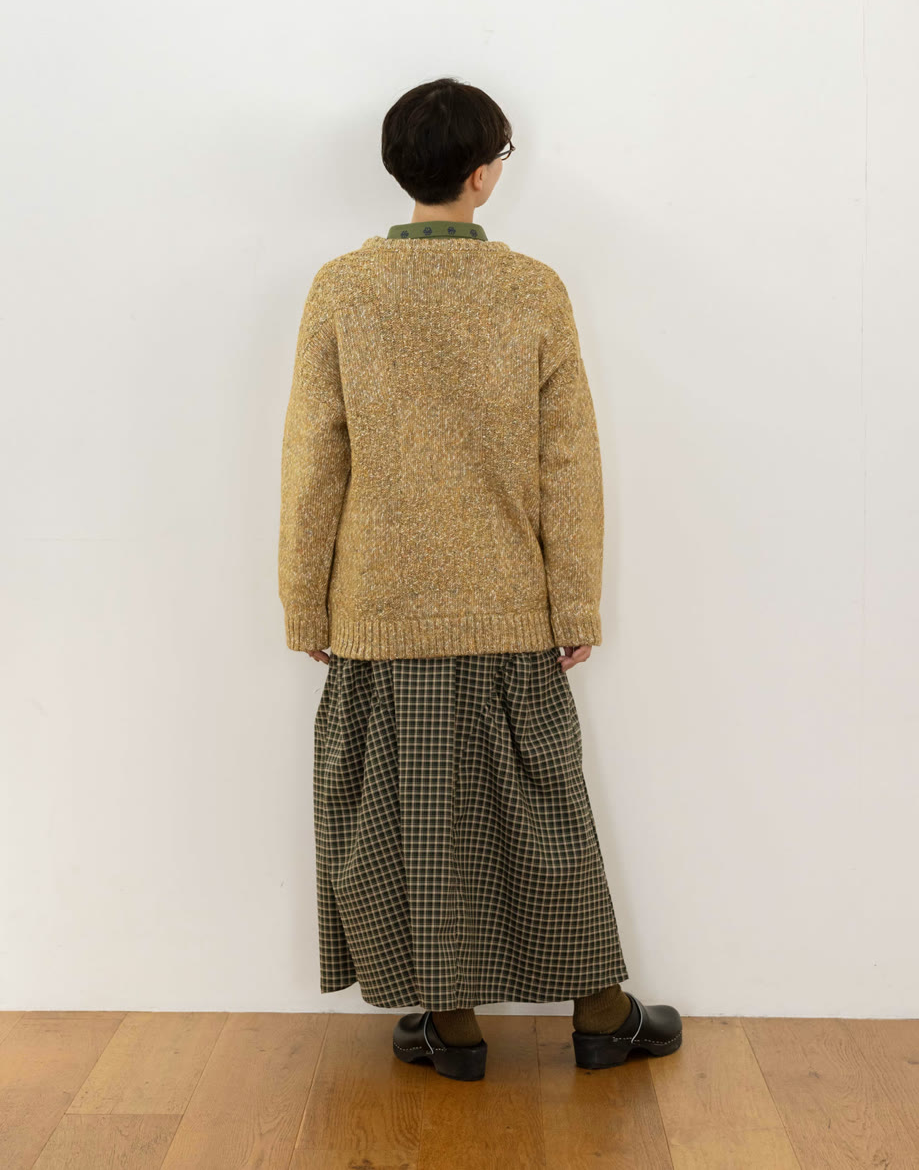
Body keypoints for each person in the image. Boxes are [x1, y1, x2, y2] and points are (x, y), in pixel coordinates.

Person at [278, 77, 682, 1081]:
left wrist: (305, 599)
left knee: (410, 818)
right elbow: (566, 460)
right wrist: (574, 598)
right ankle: (600, 1014)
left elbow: (314, 459)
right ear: (482, 175)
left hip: (378, 608)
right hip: (506, 603)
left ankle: (451, 1025)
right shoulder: (532, 289)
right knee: (542, 812)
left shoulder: (342, 287)